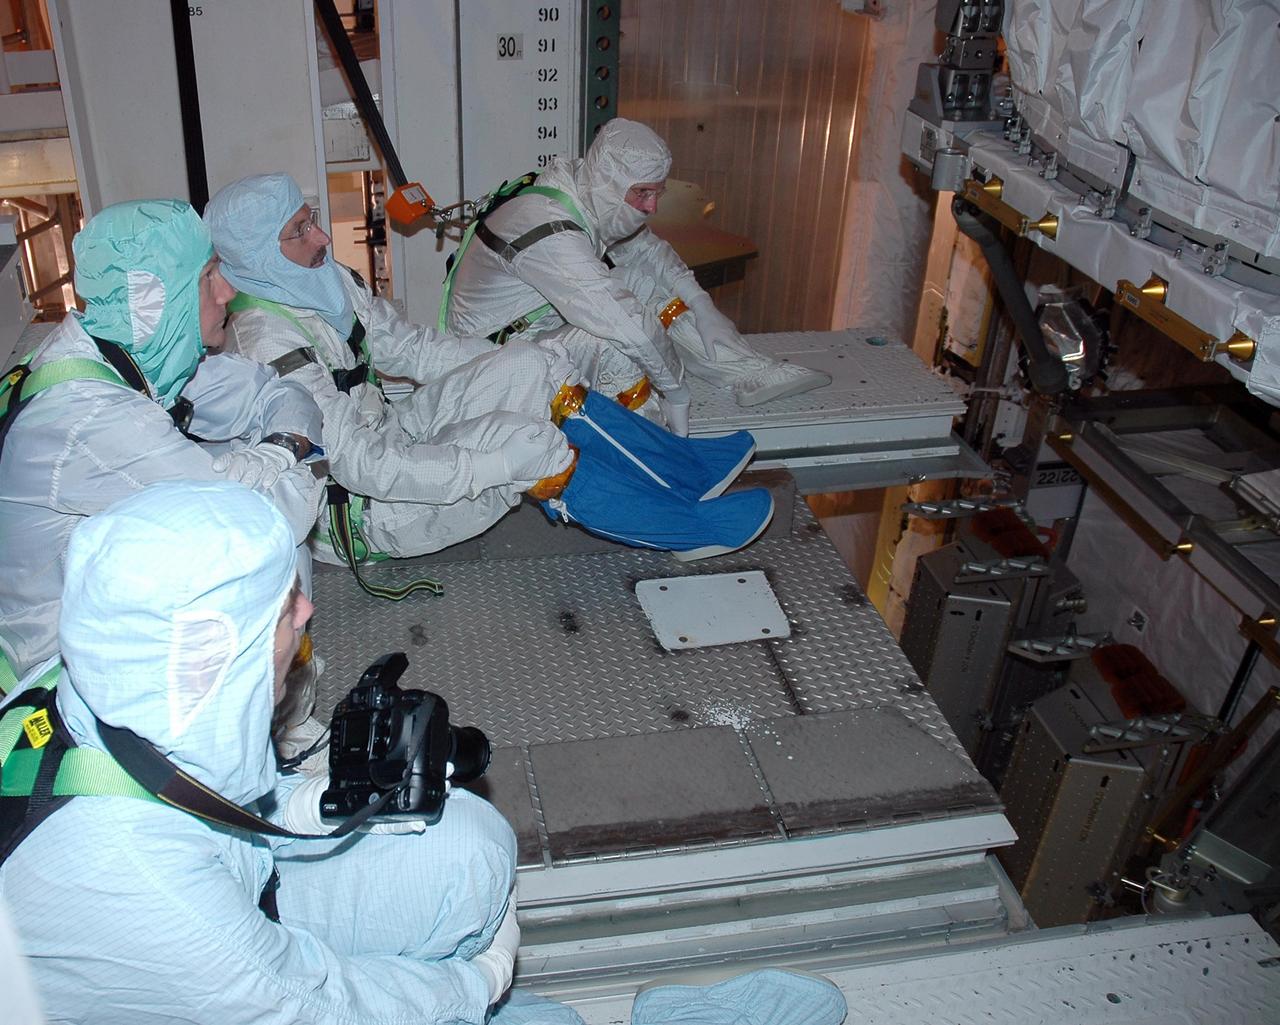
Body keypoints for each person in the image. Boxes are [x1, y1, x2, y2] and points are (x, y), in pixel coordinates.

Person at [0, 480, 583, 1025]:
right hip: (175, 972)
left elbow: (177, 789)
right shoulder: (142, 882)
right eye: (283, 611)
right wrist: (477, 983)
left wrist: (301, 807)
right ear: (219, 660)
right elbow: (309, 1005)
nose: (306, 613)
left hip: (213, 891)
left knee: (469, 846)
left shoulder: (93, 680)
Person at [203, 174, 775, 567]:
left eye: (313, 220)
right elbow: (360, 465)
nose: (323, 237)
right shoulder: (268, 342)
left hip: (393, 430)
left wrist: (522, 365)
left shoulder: (322, 285)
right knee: (528, 447)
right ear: (256, 252)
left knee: (536, 364)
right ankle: (687, 530)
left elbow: (410, 350)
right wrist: (488, 464)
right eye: (299, 231)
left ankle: (684, 470)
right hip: (362, 511)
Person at [0, 200, 325, 697]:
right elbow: (269, 519)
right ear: (158, 299)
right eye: (210, 276)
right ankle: (274, 740)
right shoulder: (89, 415)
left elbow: (282, 390)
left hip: (98, 613)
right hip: (59, 669)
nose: (228, 292)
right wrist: (286, 456)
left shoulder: (130, 351)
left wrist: (276, 451)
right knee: (265, 558)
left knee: (251, 466)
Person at [441, 117, 831, 435]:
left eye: (657, 192)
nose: (652, 206)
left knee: (643, 284)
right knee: (613, 337)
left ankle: (746, 372)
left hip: (528, 327)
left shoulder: (583, 190)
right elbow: (625, 322)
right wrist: (675, 391)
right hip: (495, 367)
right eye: (643, 193)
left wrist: (699, 302)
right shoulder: (550, 231)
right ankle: (653, 448)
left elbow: (646, 250)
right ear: (611, 181)